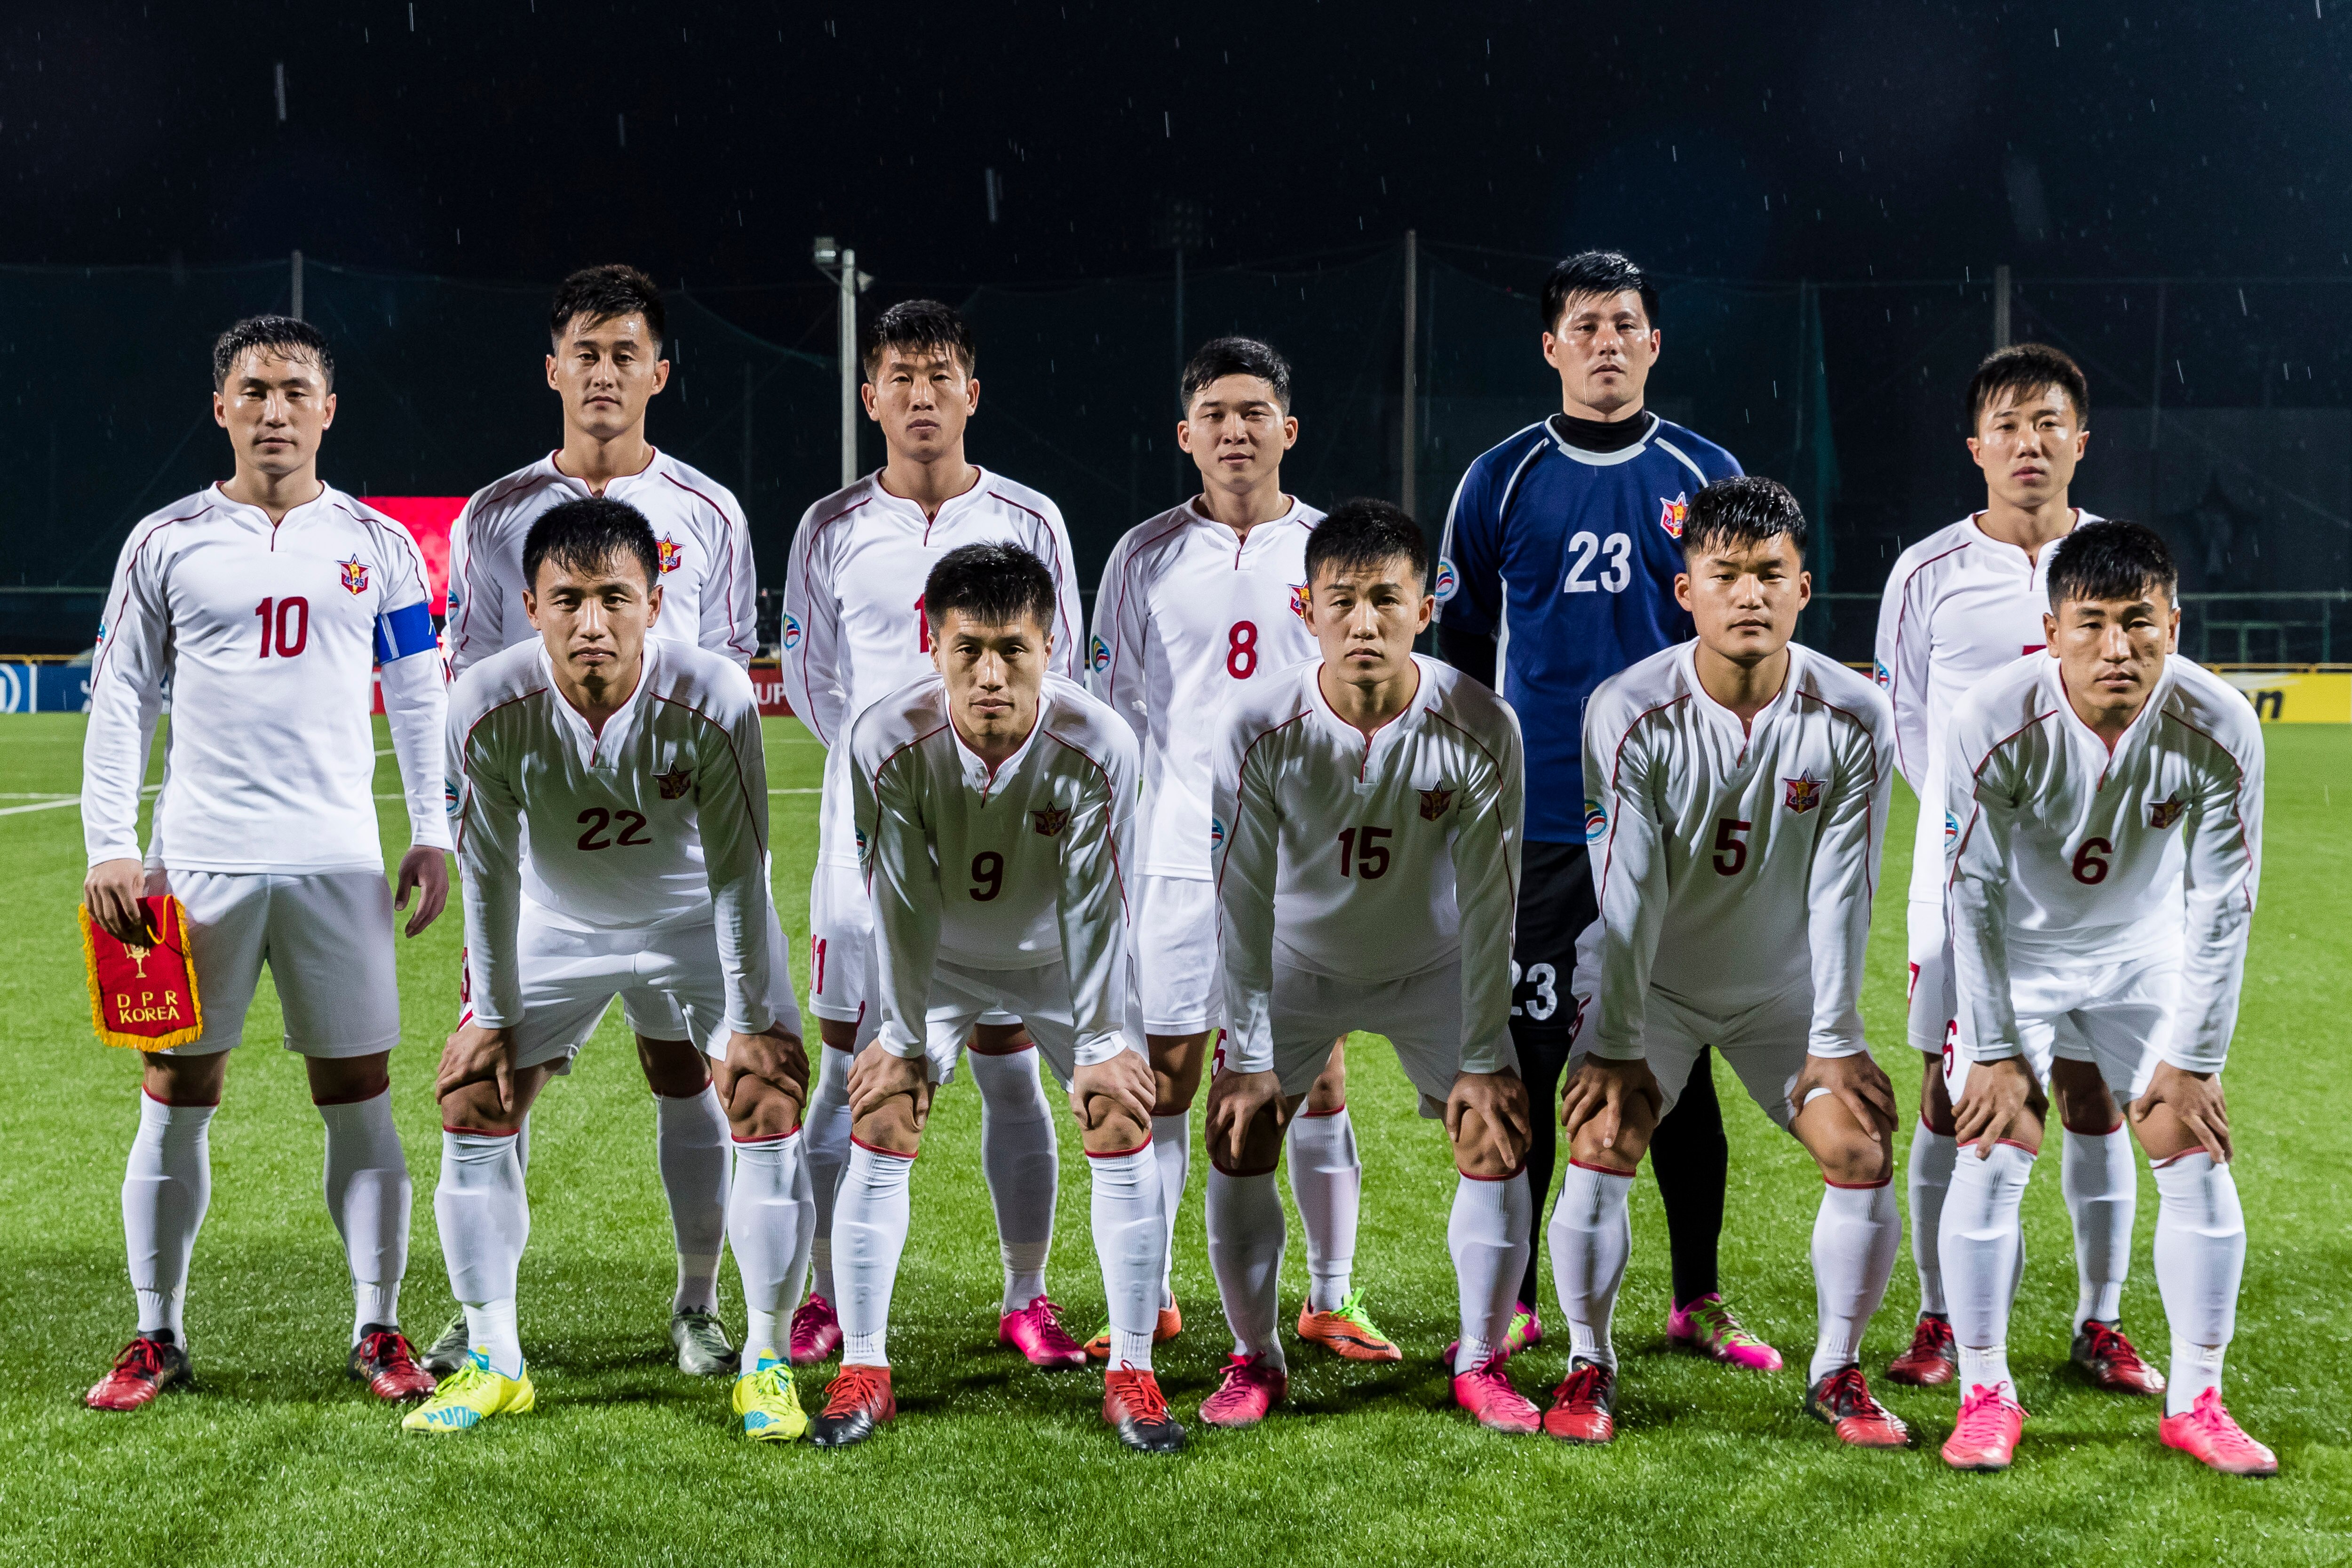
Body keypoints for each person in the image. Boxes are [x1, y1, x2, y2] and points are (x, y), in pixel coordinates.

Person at [81, 316, 448, 1410]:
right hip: (195, 862)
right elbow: (122, 702)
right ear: (221, 407)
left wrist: (430, 823)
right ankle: (157, 1333)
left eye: (295, 389)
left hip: (337, 861)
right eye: (254, 390)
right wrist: (111, 841)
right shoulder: (165, 539)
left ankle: (379, 1326)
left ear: (329, 409)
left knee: (361, 1092)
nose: (275, 409)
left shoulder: (379, 545)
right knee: (176, 1090)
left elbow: (420, 694)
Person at [412, 497, 811, 1437]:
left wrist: (753, 1019)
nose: (592, 621)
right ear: (530, 605)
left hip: (693, 921)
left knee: (764, 1095)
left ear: (655, 601)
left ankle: (765, 1358)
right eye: (568, 599)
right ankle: (493, 1357)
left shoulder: (714, 695)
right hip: (558, 919)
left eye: (615, 598)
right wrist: (493, 1015)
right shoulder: (482, 701)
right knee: (472, 1091)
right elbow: (488, 873)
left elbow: (741, 873)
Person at [429, 263, 764, 1380]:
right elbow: (475, 679)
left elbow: (712, 683)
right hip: (542, 860)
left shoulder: (709, 512)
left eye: (628, 353)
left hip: (672, 850)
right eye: (587, 350)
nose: (606, 372)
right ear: (553, 369)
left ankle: (701, 1302)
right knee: (492, 1079)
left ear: (659, 373)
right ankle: (485, 1321)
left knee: (688, 1073)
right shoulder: (493, 514)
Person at [1435, 250, 1769, 1369]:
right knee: (1530, 1059)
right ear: (1551, 346)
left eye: (1625, 323)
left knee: (1680, 1058)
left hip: (1670, 817)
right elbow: (1464, 655)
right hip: (1537, 826)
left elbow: (1739, 635)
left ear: (1654, 342)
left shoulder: (1705, 469)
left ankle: (1698, 1296)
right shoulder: (1499, 478)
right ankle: (1523, 1294)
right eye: (1584, 326)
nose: (1607, 343)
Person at [1551, 477, 1907, 1448]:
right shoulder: (1628, 710)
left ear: (1803, 588)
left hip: (1777, 993)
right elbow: (1625, 894)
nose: (1749, 594)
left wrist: (1835, 1041)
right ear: (1686, 590)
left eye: (1769, 574)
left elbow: (1846, 889)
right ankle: (1590, 1361)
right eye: (1727, 574)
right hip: (1652, 984)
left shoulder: (1855, 713)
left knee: (1860, 1148)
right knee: (1604, 1136)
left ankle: (1837, 1371)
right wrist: (1618, 1040)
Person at [817, 542, 1179, 1453]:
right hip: (939, 960)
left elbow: (1101, 903)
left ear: (1050, 645)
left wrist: (1103, 1040)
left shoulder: (1099, 744)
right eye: (968, 647)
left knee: (1114, 1107)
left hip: (1056, 960)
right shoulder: (883, 739)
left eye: (1012, 649)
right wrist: (899, 1035)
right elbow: (896, 897)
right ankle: (864, 1366)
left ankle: (1132, 1369)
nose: (989, 674)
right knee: (887, 1104)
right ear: (929, 642)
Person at [780, 299, 1088, 1371]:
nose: (920, 393)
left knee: (1012, 1067)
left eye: (940, 373)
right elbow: (814, 684)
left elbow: (1068, 669)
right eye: (900, 375)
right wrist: (893, 764)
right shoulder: (828, 526)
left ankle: (1025, 1291)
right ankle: (824, 1293)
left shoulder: (1031, 518)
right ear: (871, 397)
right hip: (863, 837)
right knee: (846, 1067)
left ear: (971, 391)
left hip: (1005, 827)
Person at [1937, 520, 2272, 1475]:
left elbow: (2223, 903)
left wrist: (2193, 1058)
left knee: (2190, 1147)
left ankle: (2197, 1397)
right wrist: (1995, 1048)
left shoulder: (2219, 724)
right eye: (2091, 624)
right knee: (1990, 1151)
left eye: (2139, 622)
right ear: (2050, 630)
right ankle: (1984, 1390)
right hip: (2021, 961)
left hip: (2143, 959)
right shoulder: (1990, 717)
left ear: (2174, 620)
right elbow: (1974, 891)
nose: (2116, 647)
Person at [1204, 497, 1533, 1430]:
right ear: (1304, 607)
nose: (1363, 621)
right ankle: (1253, 1355)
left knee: (1495, 1127)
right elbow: (1241, 901)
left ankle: (1480, 1357)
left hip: (1433, 966)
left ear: (1425, 608)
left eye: (1386, 598)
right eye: (1341, 599)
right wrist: (1253, 1052)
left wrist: (1480, 1055)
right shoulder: (1259, 725)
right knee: (1238, 1128)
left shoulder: (1479, 724)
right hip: (1300, 964)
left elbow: (1489, 906)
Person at [1088, 336, 1383, 1365]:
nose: (1234, 429)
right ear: (1185, 434)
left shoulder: (1332, 553)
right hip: (1174, 851)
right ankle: (1154, 1291)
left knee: (1317, 1072)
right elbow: (1113, 713)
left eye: (1254, 411)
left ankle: (1330, 1296)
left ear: (1287, 429)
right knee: (1166, 1076)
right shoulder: (1139, 555)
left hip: (1300, 855)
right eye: (1214, 413)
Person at [1872, 345, 2161, 1395]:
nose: (2027, 442)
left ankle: (2101, 1322)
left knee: (2094, 1096)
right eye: (2006, 423)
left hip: (2094, 883)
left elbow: (2151, 701)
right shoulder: (1925, 571)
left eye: (2047, 422)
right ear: (1975, 446)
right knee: (1951, 1096)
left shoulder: (2122, 561)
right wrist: (1973, 824)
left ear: (2080, 440)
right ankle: (1939, 1316)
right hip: (1961, 882)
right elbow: (1907, 716)